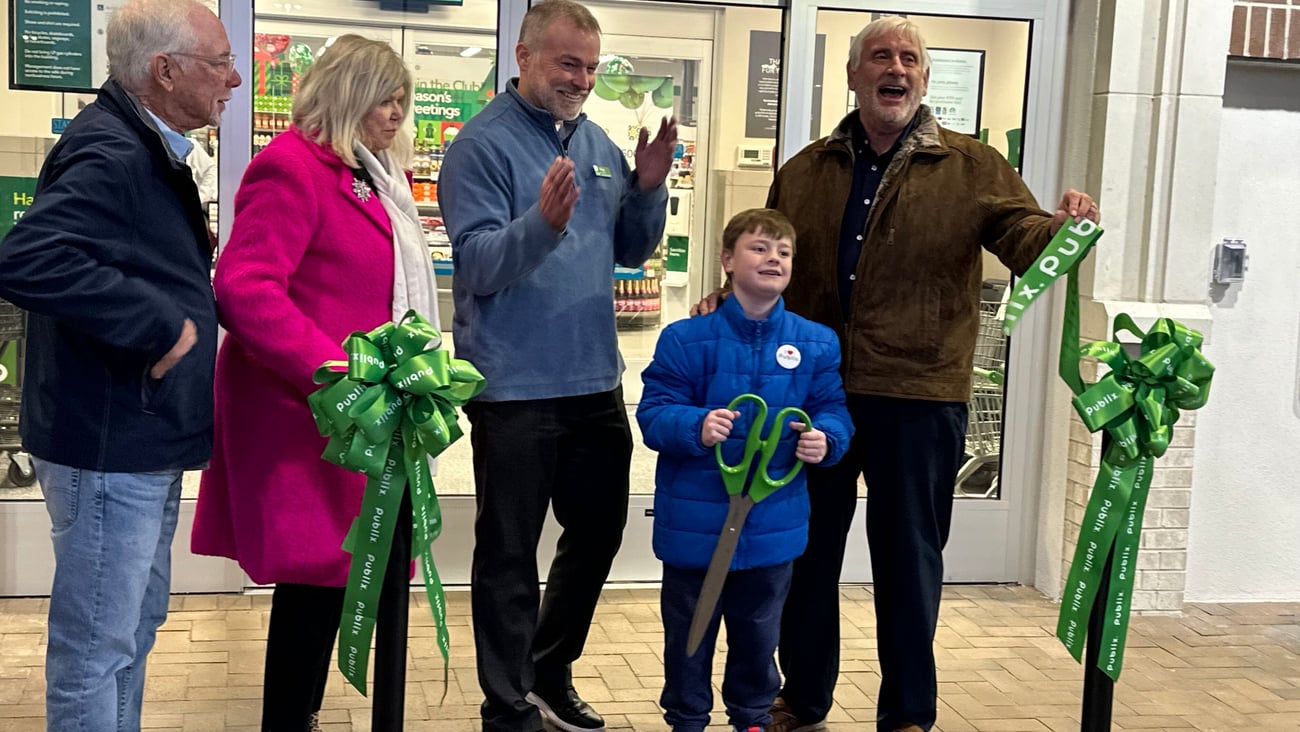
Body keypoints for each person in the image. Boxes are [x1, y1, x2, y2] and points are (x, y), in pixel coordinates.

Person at [697, 16, 1100, 732]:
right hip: (817, 396)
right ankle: (803, 695)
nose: (896, 68)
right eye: (880, 56)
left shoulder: (972, 166)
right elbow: (770, 258)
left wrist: (1064, 226)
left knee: (908, 564)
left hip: (920, 394)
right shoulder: (807, 167)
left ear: (923, 76)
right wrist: (728, 300)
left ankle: (910, 711)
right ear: (854, 75)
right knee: (808, 553)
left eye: (910, 58)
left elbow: (1025, 238)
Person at [437, 1, 677, 730]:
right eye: (568, 62)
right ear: (525, 56)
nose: (581, 78)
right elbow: (476, 264)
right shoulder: (478, 147)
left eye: (591, 67)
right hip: (513, 387)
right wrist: (541, 225)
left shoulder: (599, 143)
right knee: (508, 553)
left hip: (595, 381)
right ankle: (507, 705)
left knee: (600, 530)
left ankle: (547, 668)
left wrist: (648, 186)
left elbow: (630, 252)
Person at [0, 0, 239, 728]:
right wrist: (155, 322)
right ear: (164, 72)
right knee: (98, 643)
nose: (233, 78)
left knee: (131, 626)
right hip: (110, 442)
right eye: (219, 61)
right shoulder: (112, 150)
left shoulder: (142, 145)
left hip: (137, 436)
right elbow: (27, 258)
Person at [189, 35, 434, 732]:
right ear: (347, 93)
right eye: (386, 98)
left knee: (335, 580)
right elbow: (245, 288)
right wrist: (334, 372)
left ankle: (301, 715)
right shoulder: (291, 167)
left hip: (358, 412)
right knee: (315, 582)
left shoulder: (369, 171)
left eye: (402, 100)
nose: (396, 113)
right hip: (308, 413)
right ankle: (289, 719)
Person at [637, 208, 854, 732]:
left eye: (783, 252)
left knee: (760, 634)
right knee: (689, 634)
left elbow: (833, 408)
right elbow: (653, 413)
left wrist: (828, 439)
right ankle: (687, 718)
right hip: (696, 524)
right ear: (727, 261)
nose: (773, 258)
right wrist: (695, 425)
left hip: (771, 525)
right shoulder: (685, 339)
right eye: (759, 248)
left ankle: (753, 717)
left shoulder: (817, 342)